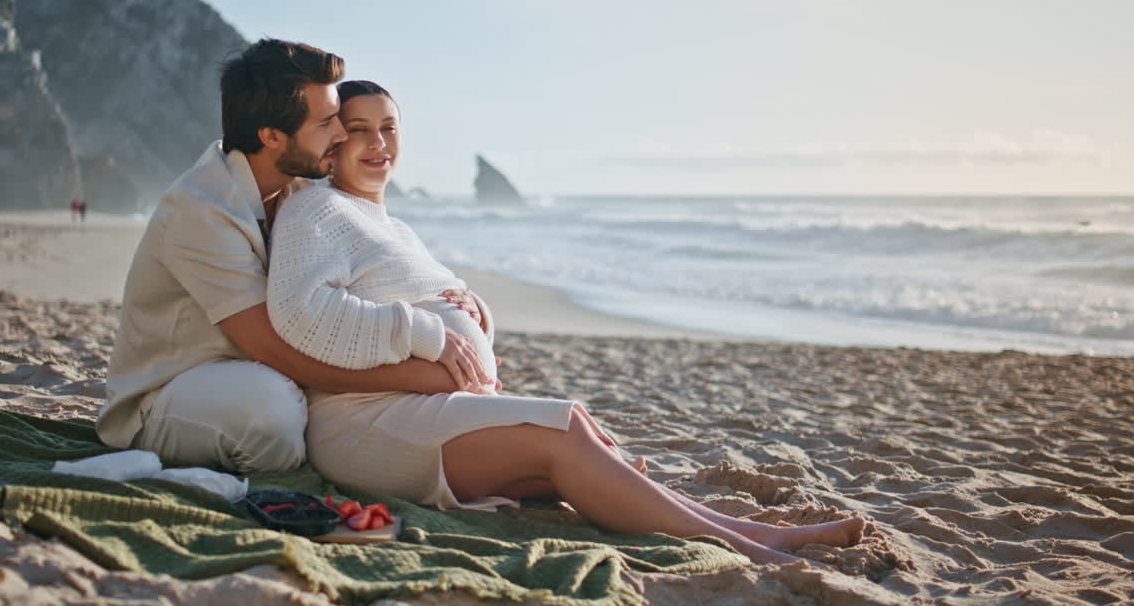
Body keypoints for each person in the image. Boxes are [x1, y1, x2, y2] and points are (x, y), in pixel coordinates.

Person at [267, 80, 867, 565]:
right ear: (332, 145)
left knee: (576, 430)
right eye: (360, 130)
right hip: (365, 424)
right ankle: (751, 543)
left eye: (389, 128)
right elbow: (304, 315)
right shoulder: (314, 208)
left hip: (423, 408)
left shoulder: (391, 224)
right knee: (566, 433)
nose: (379, 143)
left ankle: (735, 527)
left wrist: (476, 313)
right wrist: (428, 331)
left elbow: (432, 304)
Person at [97, 39, 485, 474]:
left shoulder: (301, 190)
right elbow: (277, 350)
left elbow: (372, 264)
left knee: (307, 405)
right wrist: (425, 377)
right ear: (271, 135)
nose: (340, 135)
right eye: (326, 123)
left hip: (267, 373)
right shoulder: (200, 208)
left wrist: (456, 299)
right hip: (172, 391)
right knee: (273, 414)